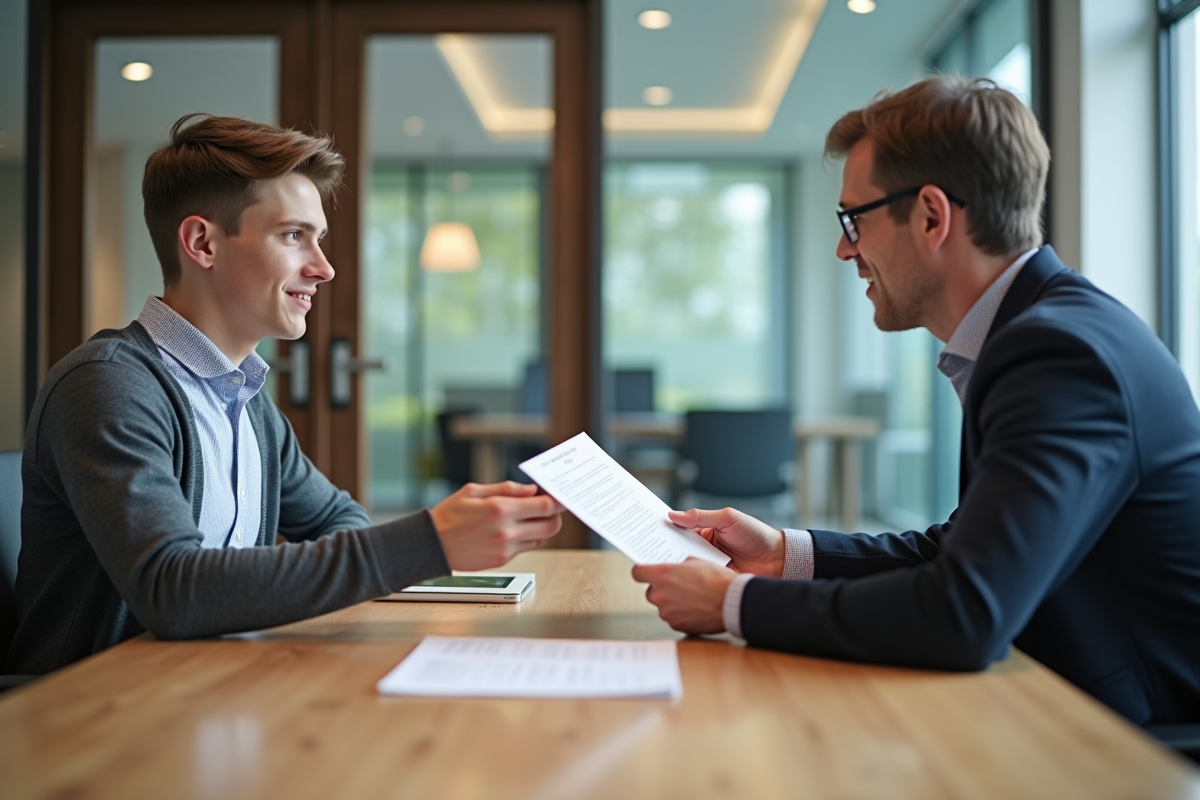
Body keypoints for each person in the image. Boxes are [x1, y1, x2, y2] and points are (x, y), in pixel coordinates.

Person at [632, 76, 1200, 726]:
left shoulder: (1059, 355)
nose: (845, 248)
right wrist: (783, 554)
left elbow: (964, 613)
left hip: (1131, 750)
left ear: (932, 215)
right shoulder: (1044, 331)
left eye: (854, 220)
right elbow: (959, 553)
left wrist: (734, 603)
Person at [7, 114, 563, 675]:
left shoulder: (244, 398)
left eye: (317, 239)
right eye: (294, 235)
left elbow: (338, 518)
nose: (323, 268)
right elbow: (173, 591)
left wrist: (262, 586)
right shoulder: (110, 383)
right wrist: (430, 542)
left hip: (202, 691)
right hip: (89, 718)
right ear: (202, 243)